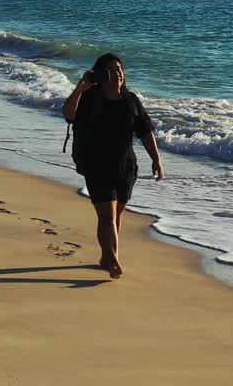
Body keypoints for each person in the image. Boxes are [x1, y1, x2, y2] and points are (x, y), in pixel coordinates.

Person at [61, 53, 163, 279]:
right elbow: (68, 114)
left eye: (119, 69)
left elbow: (145, 132)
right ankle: (114, 259)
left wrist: (156, 160)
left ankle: (106, 257)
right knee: (106, 216)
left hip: (125, 167)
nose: (116, 73)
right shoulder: (89, 97)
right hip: (96, 165)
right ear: (100, 75)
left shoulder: (131, 100)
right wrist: (80, 88)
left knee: (115, 216)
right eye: (109, 70)